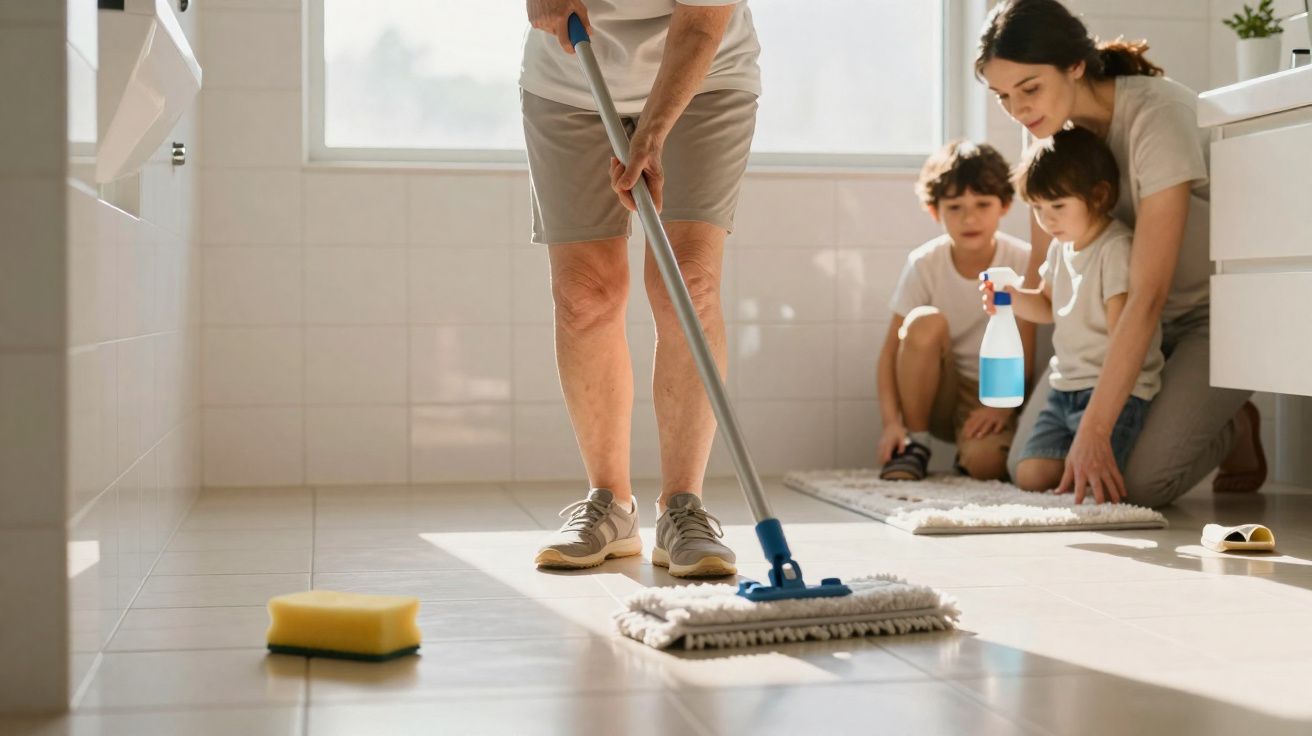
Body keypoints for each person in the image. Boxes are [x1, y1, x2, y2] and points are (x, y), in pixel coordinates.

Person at [976, 0, 1263, 506]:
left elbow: (1149, 295)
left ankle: (1231, 427)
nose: (1018, 110)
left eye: (1029, 88)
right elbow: (1048, 279)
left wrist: (1094, 429)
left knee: (1134, 484)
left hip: (1207, 319)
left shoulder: (1158, 115)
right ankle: (1179, 410)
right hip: (1120, 326)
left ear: (1076, 65)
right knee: (1030, 466)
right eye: (1002, 96)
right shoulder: (1046, 135)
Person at [520, 0, 761, 576]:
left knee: (688, 282)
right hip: (571, 81)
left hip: (705, 79)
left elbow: (703, 22)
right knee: (584, 294)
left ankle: (683, 506)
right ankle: (610, 504)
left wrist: (652, 133)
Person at [986, 127, 1163, 499]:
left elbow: (1125, 331)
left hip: (1112, 392)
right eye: (1038, 208)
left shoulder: (1114, 248)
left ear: (1097, 197)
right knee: (1031, 475)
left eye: (1058, 206)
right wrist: (1011, 296)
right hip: (1064, 389)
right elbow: (1048, 305)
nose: (1047, 220)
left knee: (1098, 485)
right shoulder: (1060, 248)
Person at [878, 141, 1033, 482]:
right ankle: (916, 445)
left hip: (994, 391)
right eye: (955, 207)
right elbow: (890, 352)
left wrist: (1002, 408)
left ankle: (970, 454)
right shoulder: (925, 264)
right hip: (938, 390)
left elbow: (1027, 348)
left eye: (982, 204)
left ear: (1005, 205)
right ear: (935, 211)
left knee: (987, 466)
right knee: (924, 322)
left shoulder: (1021, 260)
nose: (970, 218)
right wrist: (893, 424)